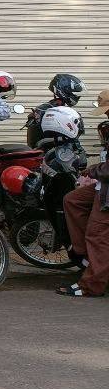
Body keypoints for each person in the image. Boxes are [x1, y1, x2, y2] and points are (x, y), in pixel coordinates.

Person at [58, 88, 109, 298]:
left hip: (106, 189)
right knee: (73, 200)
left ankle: (91, 285)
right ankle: (86, 256)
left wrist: (94, 171)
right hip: (103, 185)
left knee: (97, 235)